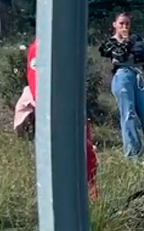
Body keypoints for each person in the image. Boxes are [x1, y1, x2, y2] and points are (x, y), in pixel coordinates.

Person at [27, 37, 97, 200]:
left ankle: (90, 196)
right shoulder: (39, 48)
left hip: (73, 108)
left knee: (86, 153)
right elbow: (37, 83)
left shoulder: (64, 43)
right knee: (58, 158)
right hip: (56, 112)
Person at [97, 12, 144, 162]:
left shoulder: (136, 40)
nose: (124, 27)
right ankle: (133, 154)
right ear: (114, 25)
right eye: (121, 23)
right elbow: (119, 55)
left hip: (137, 75)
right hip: (122, 76)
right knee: (129, 115)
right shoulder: (110, 42)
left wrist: (138, 47)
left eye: (127, 24)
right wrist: (126, 42)